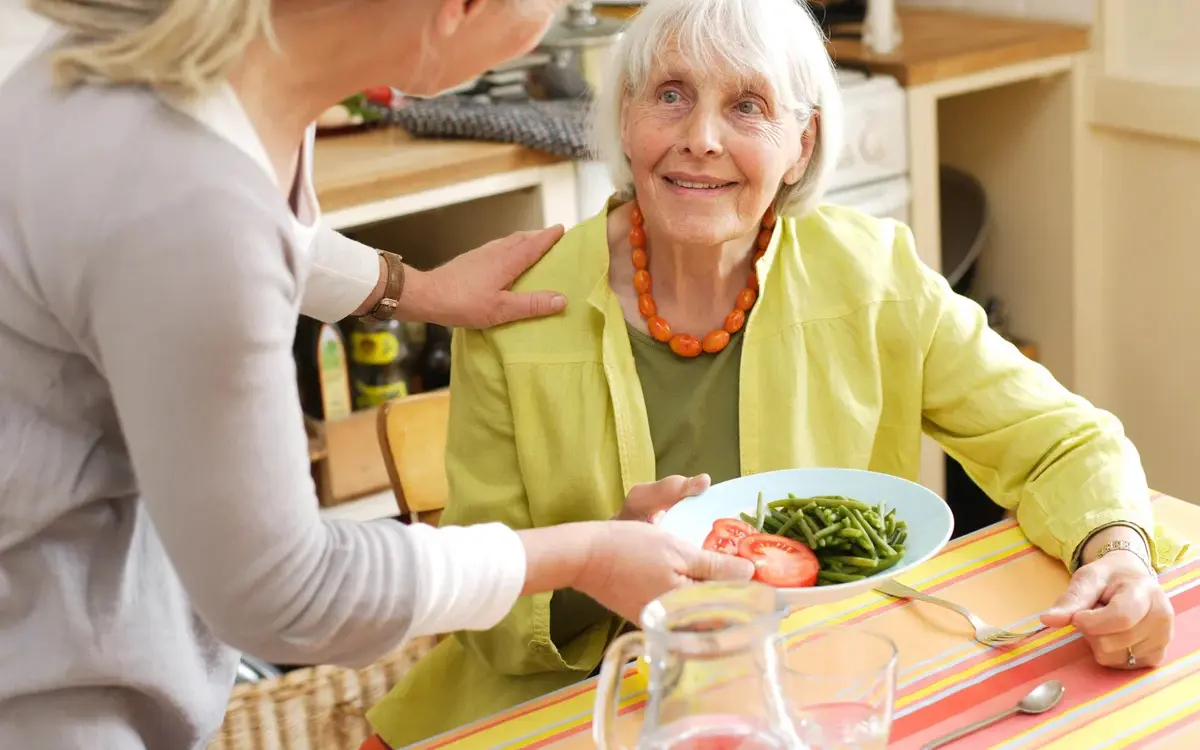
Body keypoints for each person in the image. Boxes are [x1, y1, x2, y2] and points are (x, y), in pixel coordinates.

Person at [363, 0, 1188, 745]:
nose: (702, 137)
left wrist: (1116, 552)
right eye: (671, 94)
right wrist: (592, 561)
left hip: (805, 687)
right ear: (626, 118)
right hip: (565, 710)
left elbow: (1063, 441)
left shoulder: (872, 276)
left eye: (747, 105)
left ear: (803, 144)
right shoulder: (514, 307)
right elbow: (481, 605)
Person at [0, 0, 756, 747]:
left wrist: (411, 289)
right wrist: (582, 554)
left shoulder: (158, 66)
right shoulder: (181, 199)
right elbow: (288, 591)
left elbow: (254, 234)